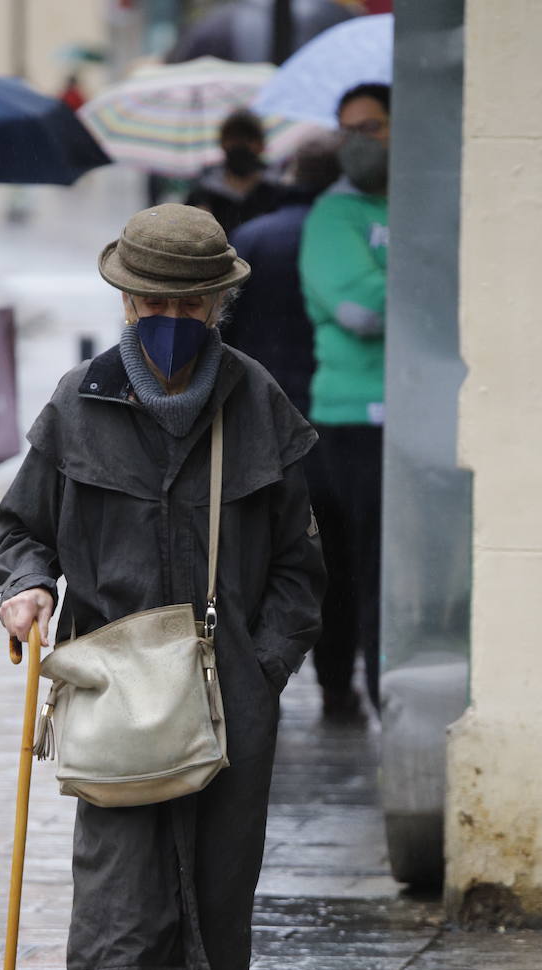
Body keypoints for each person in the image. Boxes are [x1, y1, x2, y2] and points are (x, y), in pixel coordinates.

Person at [0, 204, 325, 970]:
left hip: (230, 686)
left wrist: (265, 665)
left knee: (212, 880)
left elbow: (303, 565)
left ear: (219, 303)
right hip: (116, 686)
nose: (171, 315)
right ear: (127, 299)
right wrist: (26, 593)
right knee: (122, 881)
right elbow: (24, 530)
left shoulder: (258, 402)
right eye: (153, 298)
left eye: (191, 299)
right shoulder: (78, 403)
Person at [299, 82, 390, 718]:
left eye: (374, 127)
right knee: (347, 567)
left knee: (389, 575)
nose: (359, 142)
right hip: (348, 420)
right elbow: (358, 307)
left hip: (413, 418)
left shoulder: (427, 202)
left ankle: (389, 691)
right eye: (347, 129)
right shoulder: (333, 216)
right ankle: (339, 687)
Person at [224, 132, 341, 416]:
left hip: (261, 391)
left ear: (294, 175)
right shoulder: (345, 236)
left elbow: (224, 318)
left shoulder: (252, 236)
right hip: (333, 395)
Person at [185, 107, 287, 238]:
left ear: (261, 145)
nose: (240, 144)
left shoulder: (278, 191)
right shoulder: (203, 193)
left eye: (248, 138)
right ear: (222, 143)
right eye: (233, 137)